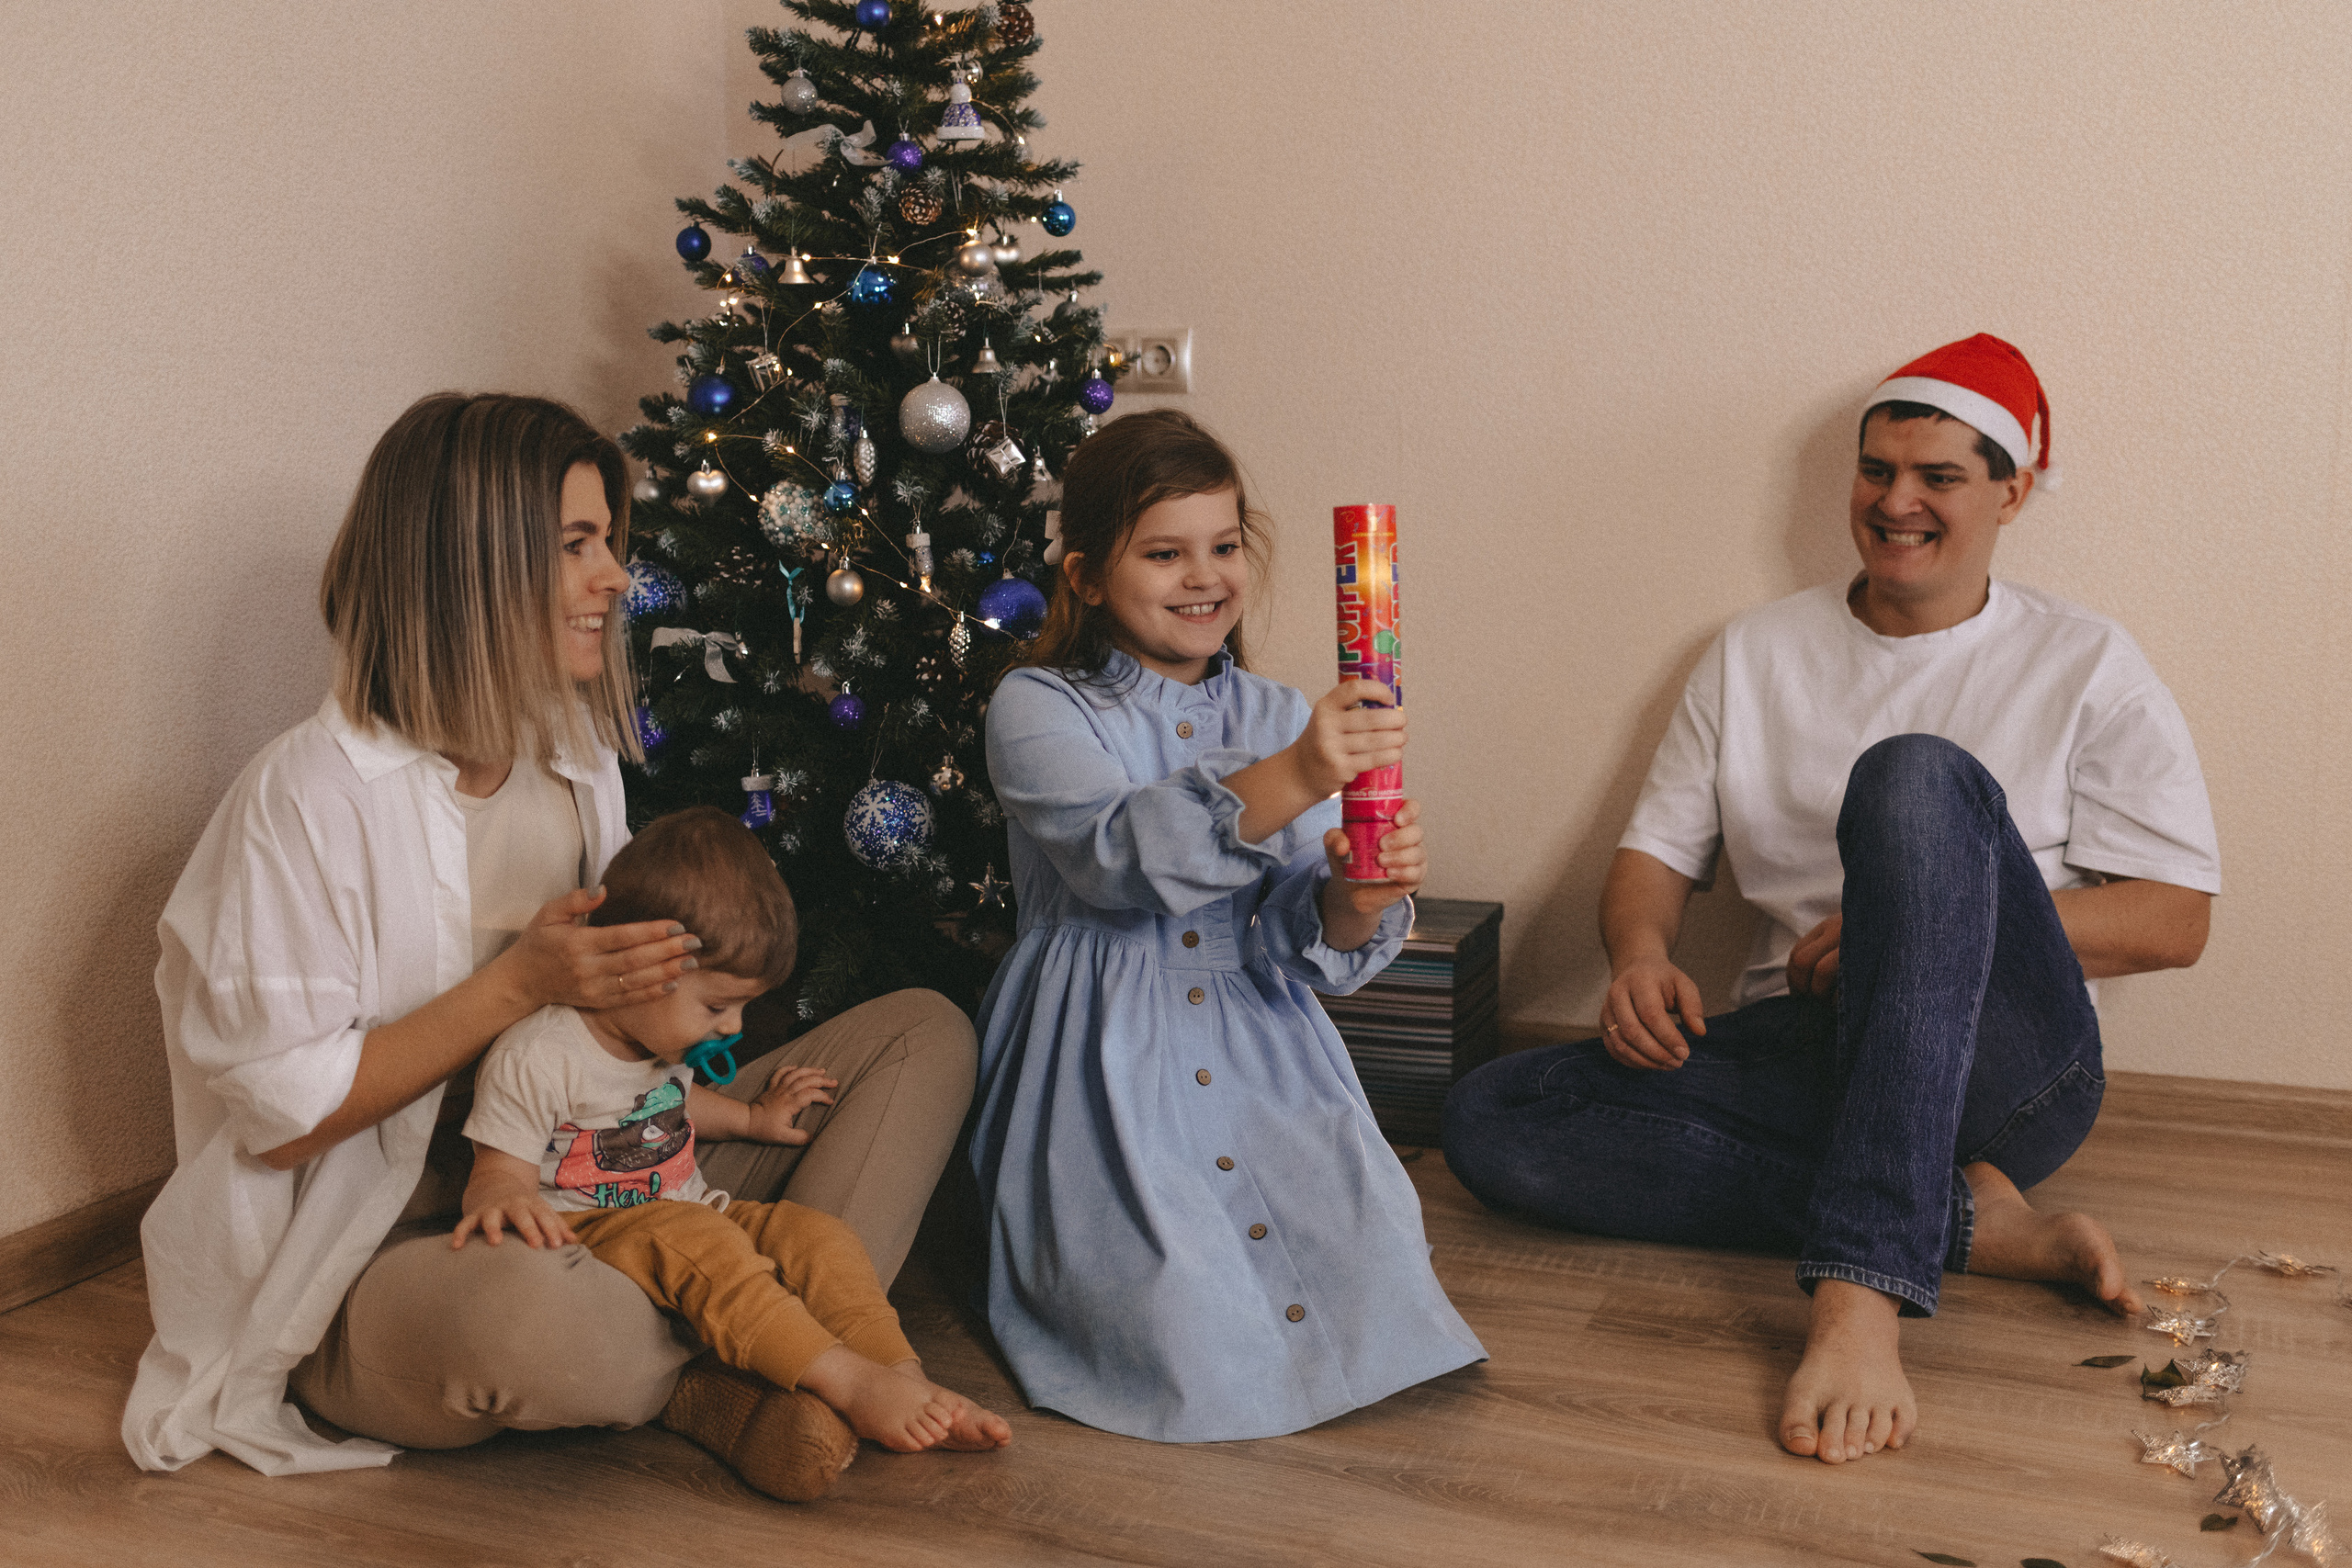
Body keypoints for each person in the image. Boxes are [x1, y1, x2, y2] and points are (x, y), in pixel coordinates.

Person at [126, 391, 977, 1477]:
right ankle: (746, 1363)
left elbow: (629, 1029)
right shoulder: (306, 799)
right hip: (410, 1240)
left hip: (611, 1172)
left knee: (923, 1036)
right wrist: (521, 981)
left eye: (608, 543)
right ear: (469, 566)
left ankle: (750, 1335)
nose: (616, 576)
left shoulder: (570, 759)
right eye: (578, 545)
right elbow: (286, 1131)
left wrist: (716, 1065)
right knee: (542, 1336)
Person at [1442, 334, 2220, 1465]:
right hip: (1794, 1043)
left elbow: (2175, 920)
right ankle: (1972, 1223)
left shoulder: (2088, 661)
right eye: (1876, 470)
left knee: (1915, 772)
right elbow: (1652, 854)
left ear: (2012, 492)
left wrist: (1926, 926)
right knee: (1490, 1118)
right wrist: (1638, 955)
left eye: (1939, 477)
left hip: (2000, 1067)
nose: (1896, 501)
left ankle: (1863, 1292)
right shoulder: (1751, 652)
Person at [969, 408, 1487, 1444]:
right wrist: (1300, 774)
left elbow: (1301, 933)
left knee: (1368, 1257)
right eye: (1163, 554)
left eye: (1221, 546)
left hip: (1258, 1040)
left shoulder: (1278, 712)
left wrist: (1359, 894)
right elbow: (1118, 859)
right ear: (1082, 575)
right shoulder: (1037, 706)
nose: (1202, 577)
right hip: (1104, 1056)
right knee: (1178, 1318)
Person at [455, 805, 1009, 1501]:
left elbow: (673, 1104)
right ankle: (842, 1378)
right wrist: (505, 1196)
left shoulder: (656, 1039)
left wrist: (751, 1117)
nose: (735, 1025)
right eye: (718, 1004)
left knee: (817, 1235)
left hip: (688, 1216)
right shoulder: (540, 1054)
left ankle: (900, 1370)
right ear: (635, 965)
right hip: (596, 1236)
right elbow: (495, 1172)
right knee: (706, 1245)